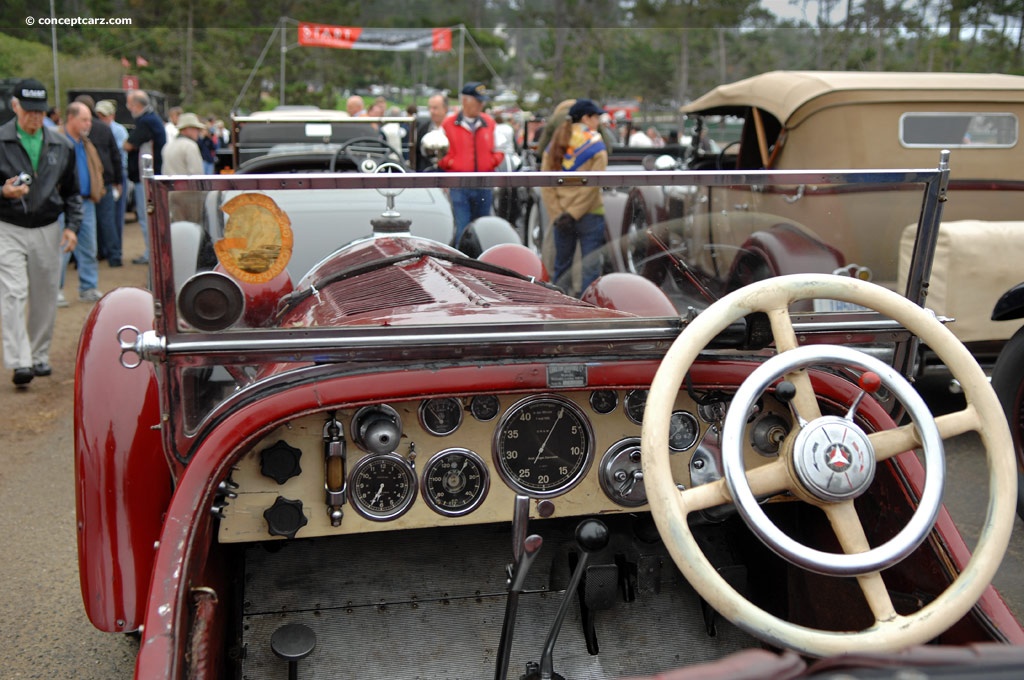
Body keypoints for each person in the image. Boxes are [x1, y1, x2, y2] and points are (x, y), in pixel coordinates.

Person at [0, 78, 81, 386]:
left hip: (47, 227)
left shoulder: (61, 145)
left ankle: (38, 355)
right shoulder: (1, 140)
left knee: (45, 294)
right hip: (8, 226)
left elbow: (73, 192)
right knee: (13, 292)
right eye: (29, 111)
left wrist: (73, 227)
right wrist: (2, 192)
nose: (35, 117)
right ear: (15, 106)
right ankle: (19, 362)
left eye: (40, 111)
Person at [540, 98, 609, 296]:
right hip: (590, 213)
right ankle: (587, 309)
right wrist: (574, 213)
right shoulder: (596, 142)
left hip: (561, 215)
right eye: (596, 117)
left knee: (561, 267)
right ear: (586, 118)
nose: (598, 122)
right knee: (590, 269)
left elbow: (547, 184)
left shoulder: (555, 142)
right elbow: (593, 186)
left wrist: (558, 214)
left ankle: (560, 305)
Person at [438, 82, 504, 246]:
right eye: (478, 100)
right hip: (460, 184)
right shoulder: (448, 124)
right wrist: (451, 164)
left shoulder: (489, 123)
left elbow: (500, 148)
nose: (481, 104)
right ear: (466, 101)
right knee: (462, 227)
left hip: (484, 183)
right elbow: (439, 152)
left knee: (482, 228)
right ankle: (461, 263)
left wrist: (490, 162)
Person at [58, 101, 105, 306]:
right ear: (71, 118)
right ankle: (55, 290)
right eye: (84, 119)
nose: (89, 123)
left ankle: (88, 287)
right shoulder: (56, 140)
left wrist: (99, 189)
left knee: (88, 247)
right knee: (61, 247)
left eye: (89, 119)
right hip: (61, 203)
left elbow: (97, 169)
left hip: (86, 202)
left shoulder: (86, 144)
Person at [74, 95, 123, 268]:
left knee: (82, 223)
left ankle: (85, 258)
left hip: (88, 183)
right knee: (106, 220)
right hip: (106, 180)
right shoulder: (104, 127)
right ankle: (114, 256)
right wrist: (118, 180)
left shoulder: (77, 131)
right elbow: (115, 155)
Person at [123, 89, 166, 265]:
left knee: (146, 217)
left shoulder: (146, 122)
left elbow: (129, 145)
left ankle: (151, 253)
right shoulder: (153, 120)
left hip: (145, 178)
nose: (128, 108)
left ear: (138, 105)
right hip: (151, 176)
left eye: (130, 104)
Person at [96, 100, 128, 271]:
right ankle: (106, 252)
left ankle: (115, 253)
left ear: (112, 115)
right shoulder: (101, 129)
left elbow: (118, 157)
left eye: (104, 115)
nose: (101, 118)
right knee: (106, 218)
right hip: (108, 177)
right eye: (99, 114)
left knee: (112, 218)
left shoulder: (118, 130)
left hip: (115, 176)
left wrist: (118, 180)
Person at [416, 93, 448, 171]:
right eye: (429, 108)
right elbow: (418, 155)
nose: (431, 111)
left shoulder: (453, 129)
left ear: (445, 109)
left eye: (435, 108)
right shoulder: (423, 128)